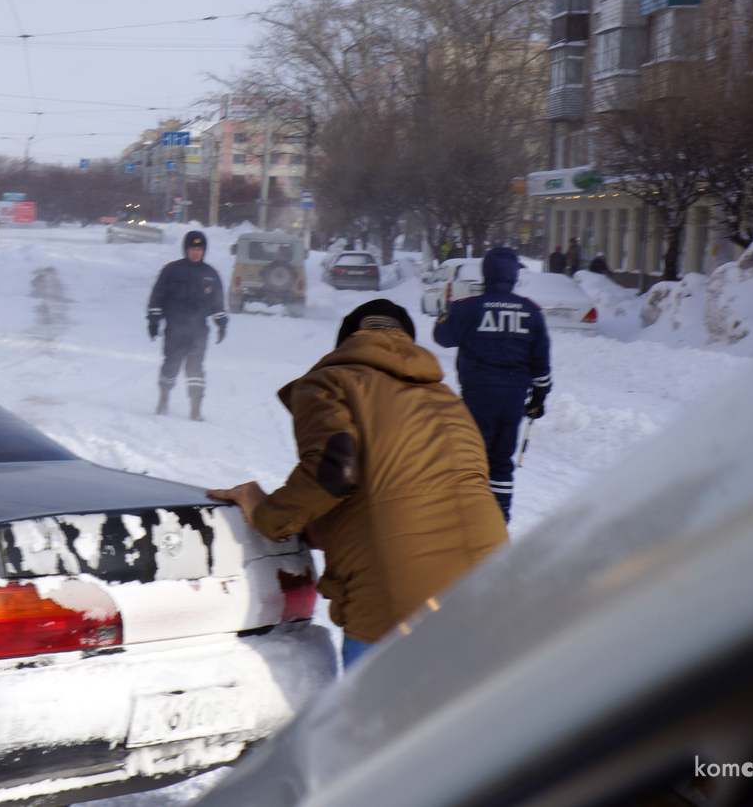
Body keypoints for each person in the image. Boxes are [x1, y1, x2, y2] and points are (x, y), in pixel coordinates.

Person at [207, 300, 507, 670]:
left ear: (346, 344)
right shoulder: (447, 400)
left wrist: (266, 513)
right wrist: (326, 527)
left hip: (399, 600)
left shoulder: (331, 382)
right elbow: (404, 486)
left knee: (377, 726)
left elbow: (335, 472)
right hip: (491, 584)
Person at [432, 246, 550, 522]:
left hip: (477, 395)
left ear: (486, 274)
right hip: (513, 397)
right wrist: (539, 397)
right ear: (513, 277)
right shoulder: (531, 312)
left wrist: (445, 313)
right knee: (501, 460)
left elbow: (442, 336)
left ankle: (467, 516)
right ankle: (498, 518)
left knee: (471, 454)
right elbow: (540, 360)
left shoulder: (469, 308)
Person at [146, 230, 227, 420]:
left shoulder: (211, 274)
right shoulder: (171, 271)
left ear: (204, 250)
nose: (196, 252)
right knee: (171, 367)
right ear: (186, 249)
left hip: (198, 331)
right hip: (174, 329)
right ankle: (164, 399)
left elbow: (218, 304)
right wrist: (153, 322)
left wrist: (222, 324)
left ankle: (195, 410)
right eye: (192, 248)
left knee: (195, 369)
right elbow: (157, 297)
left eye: (199, 248)